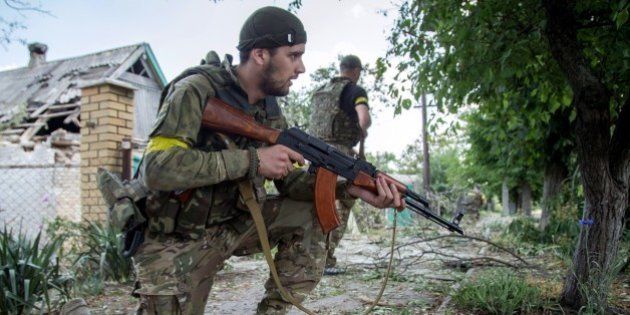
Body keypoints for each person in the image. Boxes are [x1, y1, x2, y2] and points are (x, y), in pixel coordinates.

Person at [133, 7, 403, 315]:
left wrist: (348, 188)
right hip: (178, 238)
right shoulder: (195, 91)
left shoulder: (271, 113)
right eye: (293, 55)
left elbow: (292, 185)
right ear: (260, 54)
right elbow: (156, 169)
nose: (301, 67)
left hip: (234, 226)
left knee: (312, 211)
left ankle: (274, 310)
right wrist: (252, 160)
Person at [308, 54, 371, 275]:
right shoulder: (354, 90)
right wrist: (363, 130)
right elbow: (363, 119)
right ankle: (326, 258)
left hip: (315, 153)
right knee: (344, 201)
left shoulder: (320, 92)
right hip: (338, 157)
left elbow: (322, 128)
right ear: (356, 71)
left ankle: (308, 256)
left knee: (317, 204)